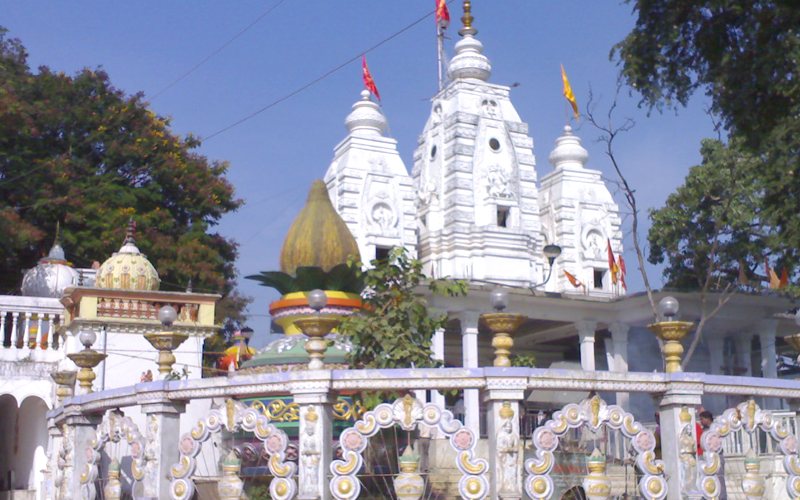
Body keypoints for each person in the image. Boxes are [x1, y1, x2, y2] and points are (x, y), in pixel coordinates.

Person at [699, 410, 726, 500]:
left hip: (716, 456)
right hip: (706, 457)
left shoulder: (714, 429)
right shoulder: (703, 430)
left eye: (702, 419)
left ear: (707, 419)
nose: (701, 421)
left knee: (719, 478)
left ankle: (722, 497)